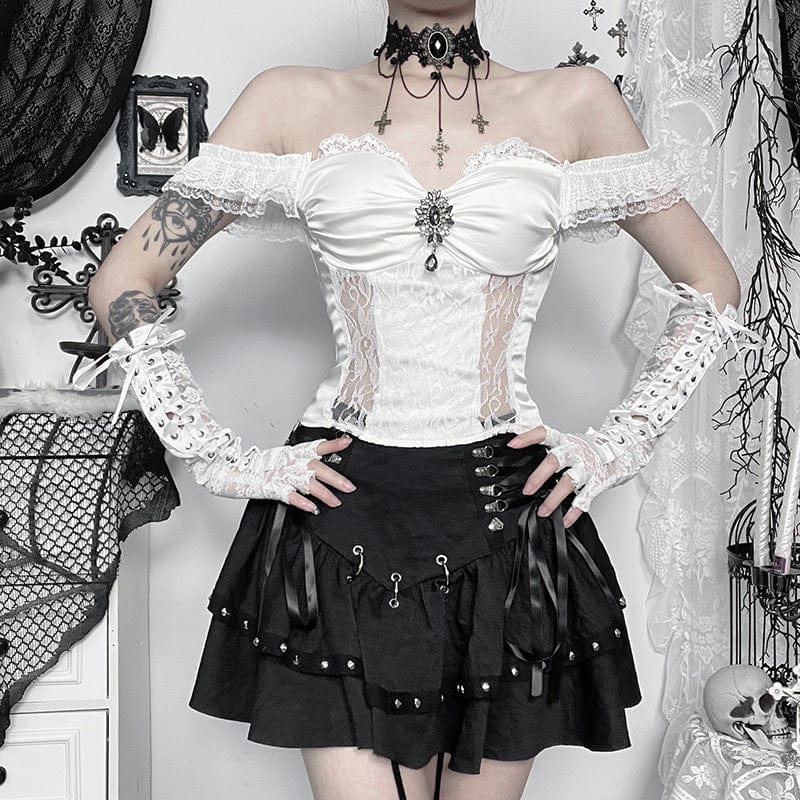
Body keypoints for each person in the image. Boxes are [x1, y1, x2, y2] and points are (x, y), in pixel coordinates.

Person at [75, 1, 759, 798]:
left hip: (508, 521)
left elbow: (711, 285)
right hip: (340, 514)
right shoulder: (289, 100)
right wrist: (219, 458)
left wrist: (618, 445)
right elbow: (123, 280)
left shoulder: (577, 103)